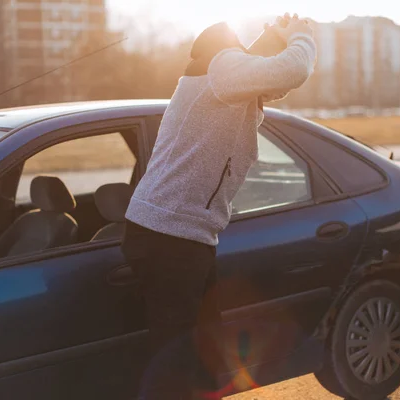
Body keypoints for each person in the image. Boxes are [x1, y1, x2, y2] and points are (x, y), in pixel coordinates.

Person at [122, 14, 317, 400]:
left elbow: (264, 75)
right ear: (227, 53)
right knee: (178, 357)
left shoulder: (216, 79)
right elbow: (290, 70)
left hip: (180, 233)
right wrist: (301, 36)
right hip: (170, 236)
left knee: (204, 351)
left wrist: (273, 35)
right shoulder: (222, 70)